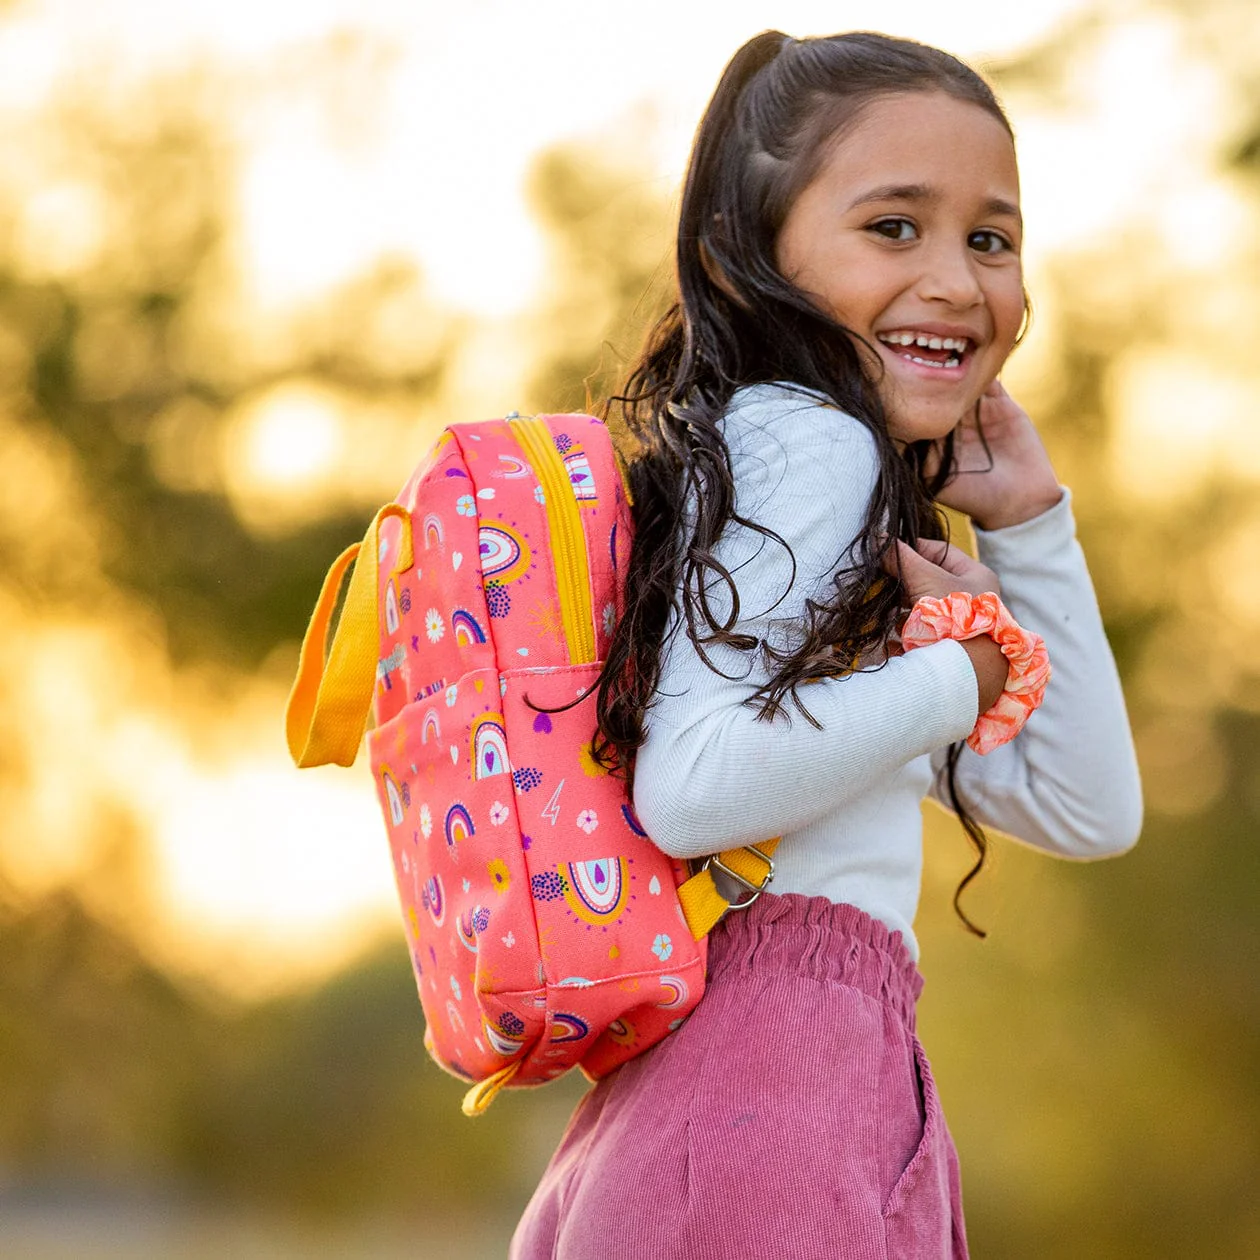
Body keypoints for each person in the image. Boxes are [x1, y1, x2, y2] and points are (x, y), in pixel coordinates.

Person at [511, 29, 1142, 1260]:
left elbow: (1086, 806)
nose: (959, 282)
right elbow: (694, 789)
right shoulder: (816, 442)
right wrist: (956, 674)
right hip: (775, 1092)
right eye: (894, 228)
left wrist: (1030, 531)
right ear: (749, 255)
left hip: (777, 1082)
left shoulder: (800, 478)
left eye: (992, 238)